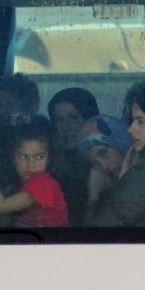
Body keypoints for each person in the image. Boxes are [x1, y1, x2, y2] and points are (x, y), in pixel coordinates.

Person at [87, 81, 145, 227]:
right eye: (133, 120)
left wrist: (95, 193)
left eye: (141, 122)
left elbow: (100, 229)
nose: (130, 129)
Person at [0, 114, 68, 227]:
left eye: (39, 157)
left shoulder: (43, 182)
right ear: (12, 157)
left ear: (49, 158)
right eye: (23, 156)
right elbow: (0, 222)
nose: (31, 165)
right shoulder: (18, 185)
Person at [47, 87, 100, 225]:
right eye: (59, 120)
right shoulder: (45, 165)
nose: (66, 127)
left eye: (74, 117)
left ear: (90, 120)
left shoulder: (107, 163)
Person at [77, 114, 131, 216]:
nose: (104, 166)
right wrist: (94, 196)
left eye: (103, 152)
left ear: (121, 141)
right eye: (93, 163)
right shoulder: (105, 192)